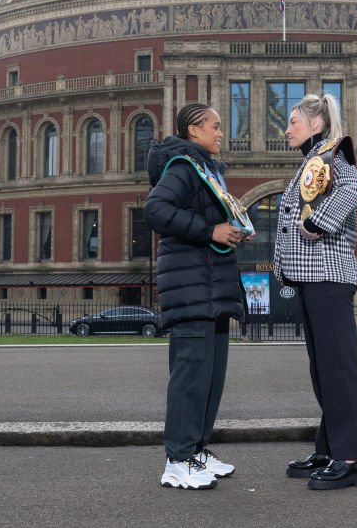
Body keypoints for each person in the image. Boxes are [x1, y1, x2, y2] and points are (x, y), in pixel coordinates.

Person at [273, 92, 357, 491]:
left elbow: (353, 190)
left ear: (316, 124)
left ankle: (350, 459)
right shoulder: (314, 161)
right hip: (312, 277)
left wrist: (319, 225)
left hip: (328, 276)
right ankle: (331, 446)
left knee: (339, 368)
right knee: (324, 369)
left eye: (293, 121)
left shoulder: (335, 154)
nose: (287, 129)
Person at [145, 103, 249, 490]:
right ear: (193, 130)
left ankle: (196, 449)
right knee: (191, 376)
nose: (221, 133)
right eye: (215, 126)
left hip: (209, 286)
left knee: (211, 377)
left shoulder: (206, 171)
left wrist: (232, 229)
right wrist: (211, 231)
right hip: (191, 288)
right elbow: (156, 210)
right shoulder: (183, 168)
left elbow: (211, 221)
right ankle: (177, 458)